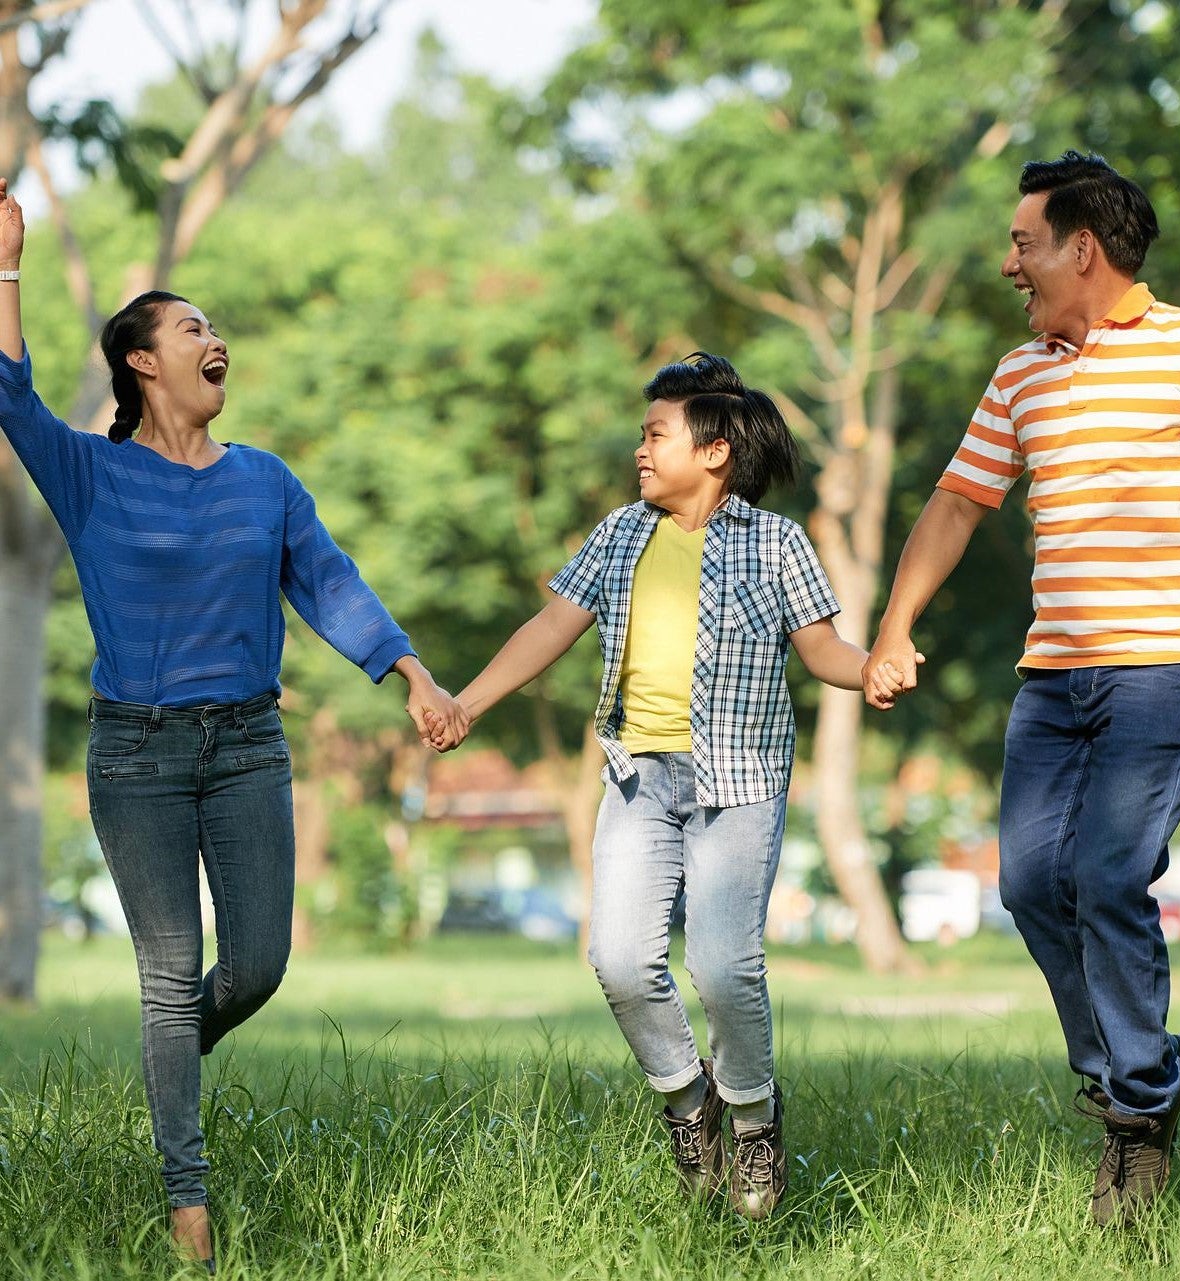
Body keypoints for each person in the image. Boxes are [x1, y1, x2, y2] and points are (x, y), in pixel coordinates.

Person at [0, 178, 467, 1271]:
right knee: (171, 973)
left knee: (255, 966)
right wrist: (7, 266)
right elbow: (9, 393)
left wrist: (413, 676)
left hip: (250, 745)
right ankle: (186, 1204)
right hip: (137, 753)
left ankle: (172, 1059)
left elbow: (333, 583)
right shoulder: (92, 474)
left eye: (215, 328)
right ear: (142, 363)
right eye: (193, 326)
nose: (218, 339)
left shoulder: (264, 481)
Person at [862, 150, 1180, 1226]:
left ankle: (1135, 1120)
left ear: (1080, 248)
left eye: (1023, 242)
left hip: (1168, 666)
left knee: (1106, 875)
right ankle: (1143, 1070)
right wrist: (895, 626)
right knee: (1031, 886)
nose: (1010, 262)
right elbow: (959, 503)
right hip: (1053, 679)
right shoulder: (1021, 373)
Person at [436, 352, 904, 1218]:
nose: (641, 450)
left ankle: (754, 1121)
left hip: (739, 783)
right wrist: (465, 702)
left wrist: (870, 666)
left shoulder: (776, 542)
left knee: (724, 967)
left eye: (657, 435)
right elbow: (550, 626)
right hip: (635, 776)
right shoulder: (621, 533)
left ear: (715, 449)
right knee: (616, 957)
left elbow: (821, 649)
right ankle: (689, 1106)